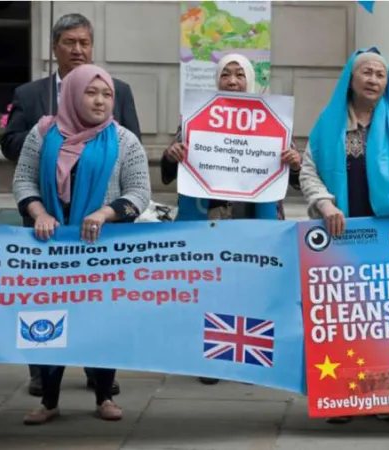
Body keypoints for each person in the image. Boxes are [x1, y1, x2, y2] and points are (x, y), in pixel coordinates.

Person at [300, 47, 389, 423]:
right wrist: (325, 204)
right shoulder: (329, 122)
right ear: (351, 77)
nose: (373, 80)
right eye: (366, 72)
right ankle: (344, 399)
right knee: (347, 315)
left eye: (380, 75)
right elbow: (308, 171)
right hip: (345, 234)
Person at [1, 12, 140, 397]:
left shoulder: (120, 99)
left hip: (101, 240)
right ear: (55, 46)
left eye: (85, 43)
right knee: (45, 312)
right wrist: (50, 145)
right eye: (70, 42)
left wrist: (107, 208)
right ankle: (45, 388)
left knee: (101, 314)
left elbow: (134, 170)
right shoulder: (33, 102)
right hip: (49, 234)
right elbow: (15, 154)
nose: (78, 50)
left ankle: (102, 384)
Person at [160, 53, 302, 385]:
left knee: (252, 287)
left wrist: (295, 162)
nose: (233, 81)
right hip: (210, 220)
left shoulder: (273, 120)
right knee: (212, 288)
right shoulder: (195, 118)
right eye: (227, 74)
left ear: (250, 81)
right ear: (217, 80)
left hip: (255, 222)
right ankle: (212, 361)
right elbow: (169, 174)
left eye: (240, 75)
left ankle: (251, 356)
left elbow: (298, 180)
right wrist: (171, 156)